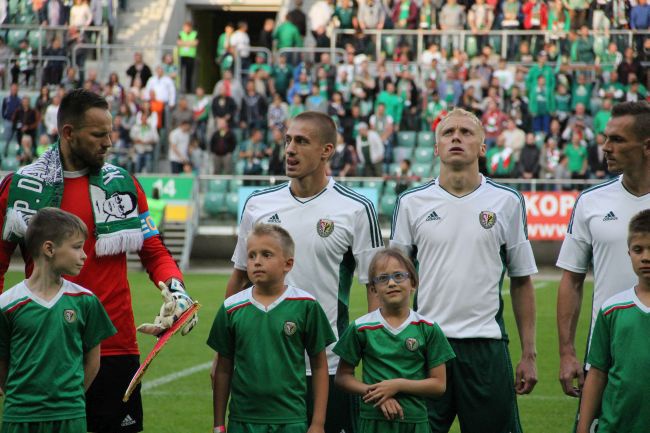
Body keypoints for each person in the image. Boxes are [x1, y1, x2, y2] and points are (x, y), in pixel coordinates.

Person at [0, 89, 197, 433]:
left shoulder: (123, 184)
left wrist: (178, 292)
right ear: (68, 133)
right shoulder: (19, 188)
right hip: (45, 348)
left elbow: (154, 252)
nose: (109, 142)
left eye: (110, 132)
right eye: (98, 134)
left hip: (116, 346)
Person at [223, 111, 383, 433]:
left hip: (330, 365)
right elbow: (240, 277)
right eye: (287, 141)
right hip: (263, 365)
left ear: (327, 150)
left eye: (301, 141)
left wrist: (379, 360)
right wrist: (224, 354)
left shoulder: (356, 208)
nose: (290, 150)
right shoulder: (258, 203)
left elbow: (375, 286)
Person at [391, 108, 538, 433]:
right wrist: (388, 348)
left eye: (466, 132)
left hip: (486, 346)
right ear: (436, 147)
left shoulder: (507, 201)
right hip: (426, 346)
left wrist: (529, 354)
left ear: (483, 147)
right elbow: (392, 283)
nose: (456, 137)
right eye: (448, 132)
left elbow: (522, 279)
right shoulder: (411, 202)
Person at [556, 101, 650, 427]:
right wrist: (567, 353)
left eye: (618, 140)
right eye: (605, 138)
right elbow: (571, 279)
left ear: (647, 146)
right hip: (604, 360)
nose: (606, 147)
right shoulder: (590, 202)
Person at [209, 224, 335, 433]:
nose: (257, 261)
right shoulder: (232, 307)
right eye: (251, 256)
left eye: (266, 255)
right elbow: (223, 369)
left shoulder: (306, 305)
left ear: (288, 263)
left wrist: (318, 423)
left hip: (291, 419)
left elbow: (320, 366)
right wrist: (218, 424)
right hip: (242, 420)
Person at [0, 207, 116, 433]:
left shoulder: (85, 301)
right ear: (49, 249)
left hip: (70, 416)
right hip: (19, 416)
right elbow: (2, 362)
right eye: (77, 247)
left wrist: (70, 401)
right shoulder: (7, 304)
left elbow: (93, 361)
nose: (84, 255)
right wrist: (20, 398)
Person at [334, 248, 455, 433]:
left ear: (413, 282)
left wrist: (397, 385)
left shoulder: (428, 328)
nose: (391, 283)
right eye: (383, 278)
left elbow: (439, 385)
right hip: (373, 420)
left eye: (399, 276)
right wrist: (376, 394)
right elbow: (342, 377)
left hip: (415, 421)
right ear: (373, 289)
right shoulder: (360, 328)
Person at [575, 209, 650, 433]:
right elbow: (597, 373)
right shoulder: (613, 308)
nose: (646, 256)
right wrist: (583, 427)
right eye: (638, 249)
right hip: (616, 426)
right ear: (629, 253)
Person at [177, 21, 199, 94]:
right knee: (180, 73)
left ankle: (188, 89)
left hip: (191, 56)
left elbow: (195, 43)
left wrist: (184, 43)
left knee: (189, 74)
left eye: (188, 27)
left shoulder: (194, 34)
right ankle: (179, 88)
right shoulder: (181, 33)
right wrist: (190, 43)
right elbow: (179, 43)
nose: (186, 28)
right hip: (182, 56)